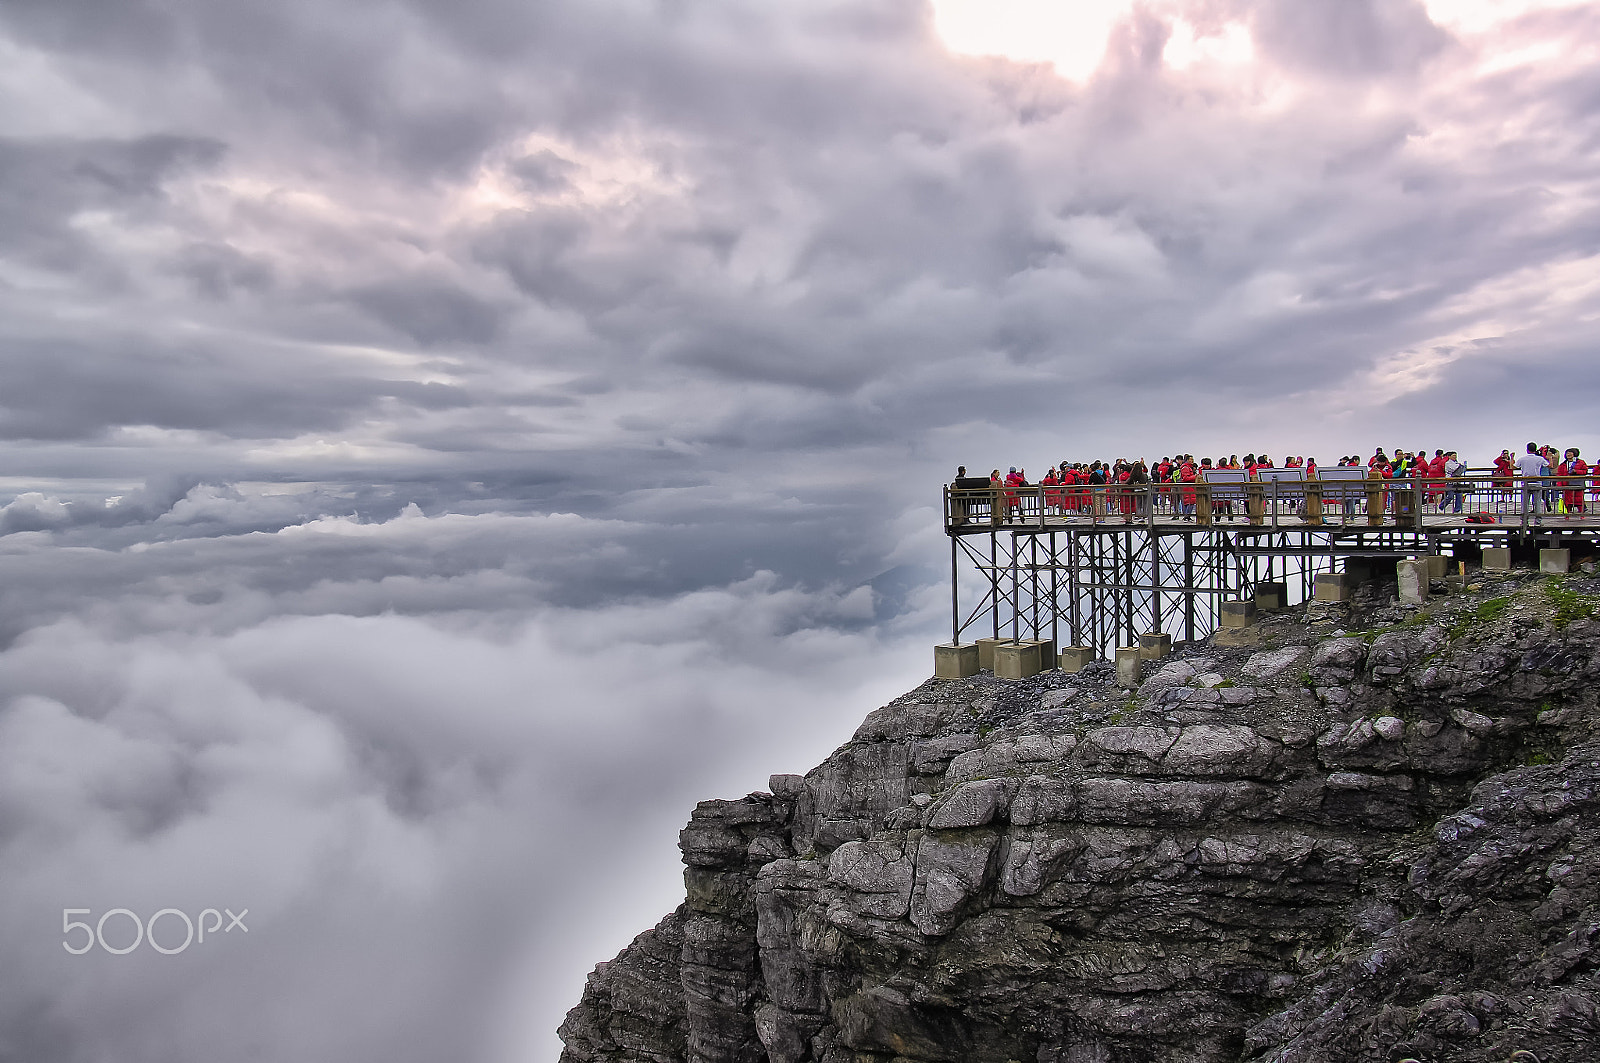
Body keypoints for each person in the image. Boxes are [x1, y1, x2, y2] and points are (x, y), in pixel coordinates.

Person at [1517, 442, 1549, 523]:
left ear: (1527, 450)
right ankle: (1538, 521)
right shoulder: (1540, 459)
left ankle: (1524, 521)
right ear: (1535, 449)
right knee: (1537, 502)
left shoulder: (1522, 459)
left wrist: (1512, 457)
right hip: (1537, 482)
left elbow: (1512, 466)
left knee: (1525, 503)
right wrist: (1550, 457)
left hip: (1526, 482)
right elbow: (1550, 466)